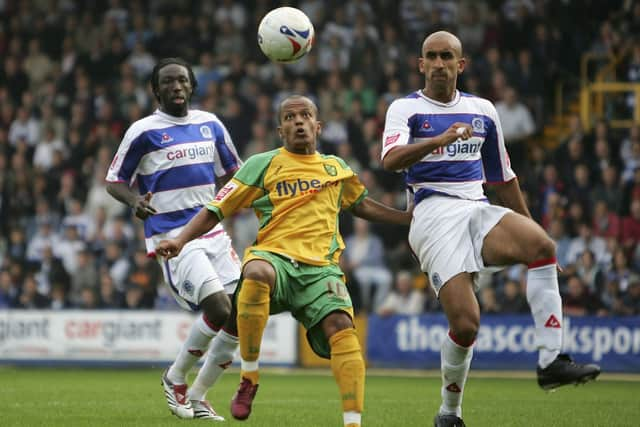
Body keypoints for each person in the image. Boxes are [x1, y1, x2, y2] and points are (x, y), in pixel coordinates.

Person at [381, 31, 600, 427]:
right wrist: (440, 140)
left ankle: (551, 361)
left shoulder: (483, 110)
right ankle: (449, 414)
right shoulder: (405, 109)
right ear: (420, 64)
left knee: (542, 245)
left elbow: (502, 177)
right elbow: (391, 160)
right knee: (465, 325)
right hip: (431, 214)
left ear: (460, 64)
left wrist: (529, 226)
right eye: (430, 56)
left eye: (447, 56)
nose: (438, 63)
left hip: (476, 206)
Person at [157, 95, 412, 427]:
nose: (299, 121)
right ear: (281, 130)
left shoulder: (337, 168)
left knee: (343, 330)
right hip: (275, 259)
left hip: (321, 270)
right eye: (290, 117)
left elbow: (362, 205)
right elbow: (216, 209)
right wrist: (179, 239)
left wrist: (406, 218)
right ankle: (249, 377)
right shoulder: (261, 164)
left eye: (305, 115)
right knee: (256, 272)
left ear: (318, 126)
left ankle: (353, 423)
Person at [105, 57, 243, 421]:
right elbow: (114, 179)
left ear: (192, 85)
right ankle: (175, 377)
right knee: (218, 308)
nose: (177, 87)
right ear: (156, 90)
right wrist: (135, 200)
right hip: (173, 236)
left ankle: (198, 395)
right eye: (168, 82)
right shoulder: (143, 131)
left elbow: (236, 173)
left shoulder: (210, 124)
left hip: (211, 230)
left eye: (182, 80)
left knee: (242, 315)